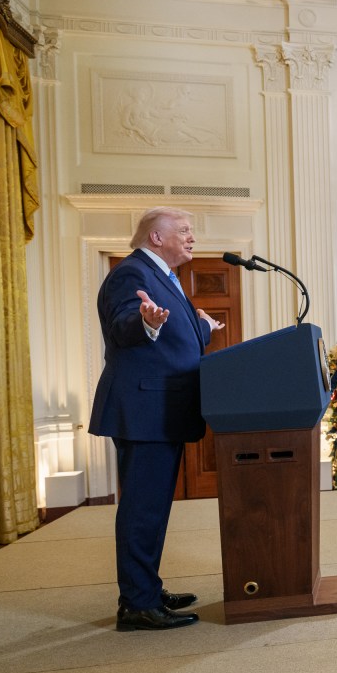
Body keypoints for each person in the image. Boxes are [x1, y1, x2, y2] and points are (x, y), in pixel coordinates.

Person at [89, 206, 222, 631]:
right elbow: (124, 324)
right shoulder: (132, 274)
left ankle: (145, 587)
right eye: (184, 230)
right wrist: (143, 323)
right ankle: (137, 604)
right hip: (144, 410)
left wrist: (200, 328)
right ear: (156, 237)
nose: (192, 237)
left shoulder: (166, 276)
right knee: (142, 510)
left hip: (160, 410)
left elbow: (169, 342)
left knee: (153, 508)